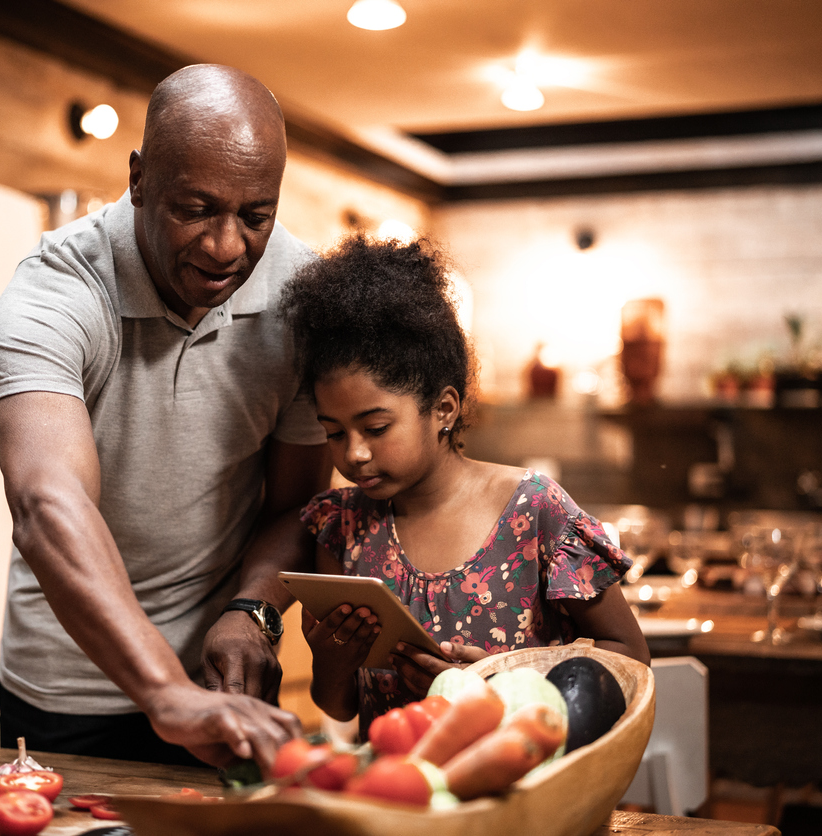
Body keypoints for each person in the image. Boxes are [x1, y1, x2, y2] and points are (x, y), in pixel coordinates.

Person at [0, 64, 330, 769]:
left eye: (254, 216)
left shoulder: (303, 296)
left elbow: (298, 502)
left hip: (220, 678)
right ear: (139, 179)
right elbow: (47, 502)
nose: (225, 247)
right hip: (68, 686)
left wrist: (252, 612)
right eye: (195, 208)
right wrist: (162, 691)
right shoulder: (56, 288)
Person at [278, 235, 650, 738]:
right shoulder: (341, 526)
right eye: (333, 433)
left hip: (519, 786)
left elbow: (630, 659)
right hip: (401, 795)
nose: (355, 453)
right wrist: (332, 662)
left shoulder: (534, 511)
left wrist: (497, 683)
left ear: (444, 410)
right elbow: (339, 707)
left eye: (377, 427)